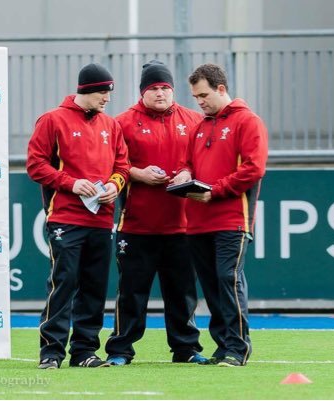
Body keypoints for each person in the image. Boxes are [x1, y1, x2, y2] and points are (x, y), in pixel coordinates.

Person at [26, 63, 130, 369]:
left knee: (95, 286)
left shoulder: (111, 126)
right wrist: (71, 183)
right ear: (87, 89)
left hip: (101, 219)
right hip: (65, 218)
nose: (107, 99)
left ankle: (85, 351)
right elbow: (35, 165)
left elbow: (122, 166)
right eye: (103, 92)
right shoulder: (52, 120)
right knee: (64, 282)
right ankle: (51, 352)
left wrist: (115, 184)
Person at [105, 60, 208, 366]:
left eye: (165, 88)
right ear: (143, 92)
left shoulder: (193, 120)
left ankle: (186, 348)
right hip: (138, 224)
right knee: (131, 293)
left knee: (182, 292)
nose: (161, 93)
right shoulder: (122, 122)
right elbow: (111, 165)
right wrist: (138, 173)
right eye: (154, 88)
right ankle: (121, 350)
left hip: (181, 224)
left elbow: (202, 161)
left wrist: (186, 172)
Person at [172, 63, 268, 367]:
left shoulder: (248, 121)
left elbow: (253, 169)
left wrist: (215, 190)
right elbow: (187, 162)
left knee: (228, 278)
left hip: (231, 219)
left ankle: (238, 348)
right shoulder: (200, 126)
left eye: (203, 95)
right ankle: (222, 345)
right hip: (198, 221)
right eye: (195, 97)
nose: (199, 101)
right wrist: (184, 174)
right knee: (212, 284)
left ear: (221, 89)